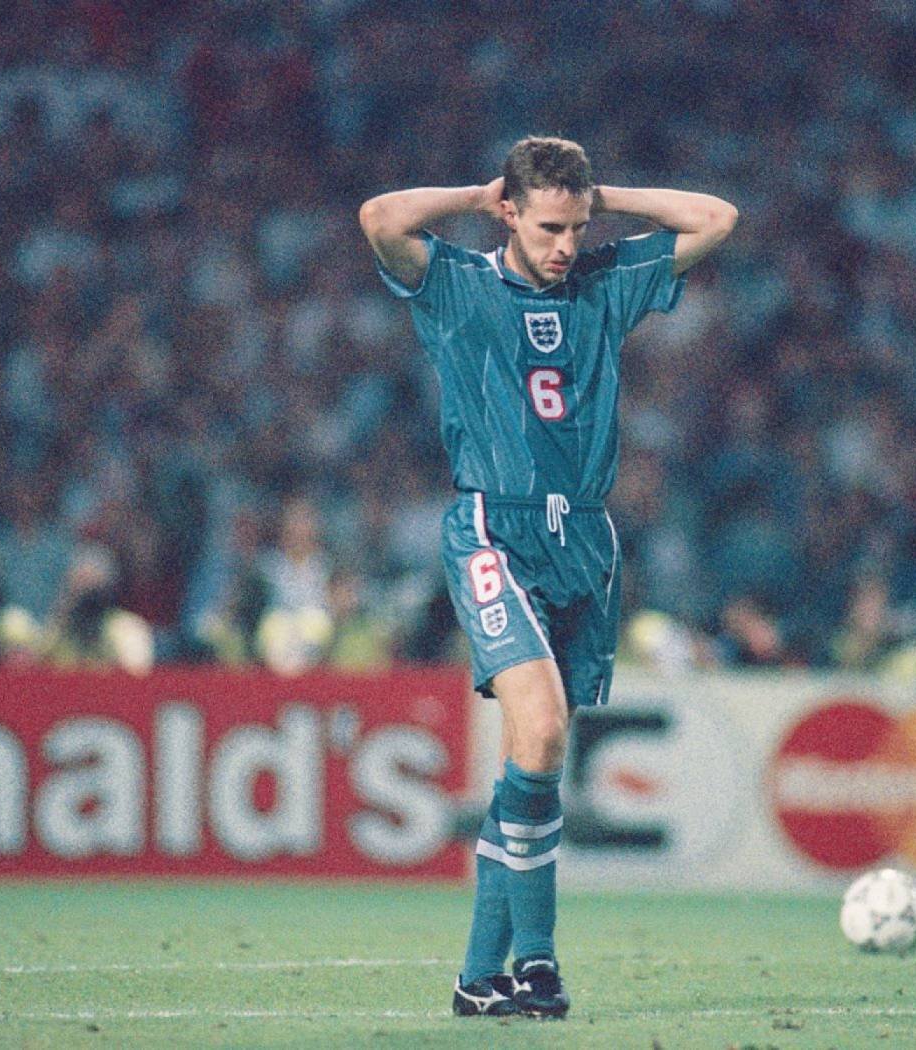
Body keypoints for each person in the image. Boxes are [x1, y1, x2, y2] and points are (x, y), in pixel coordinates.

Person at [359, 135, 736, 1019]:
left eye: (576, 227)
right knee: (541, 730)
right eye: (548, 228)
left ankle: (478, 978)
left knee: (532, 759)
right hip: (495, 528)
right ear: (509, 215)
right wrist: (476, 192)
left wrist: (609, 200)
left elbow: (718, 218)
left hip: (585, 538)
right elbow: (379, 218)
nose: (566, 245)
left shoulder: (604, 283)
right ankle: (539, 964)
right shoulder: (459, 283)